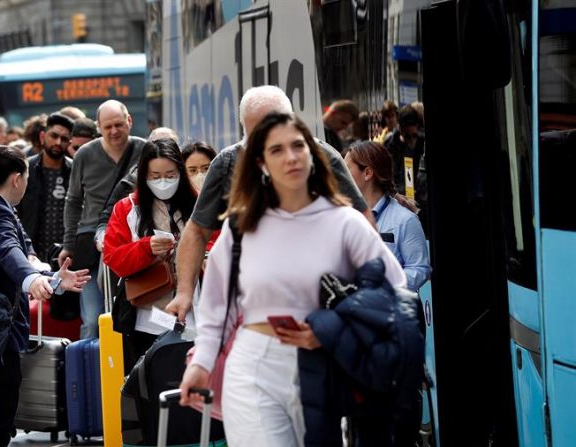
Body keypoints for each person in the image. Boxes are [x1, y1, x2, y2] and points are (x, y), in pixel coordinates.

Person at [179, 112, 406, 447]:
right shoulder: (240, 228)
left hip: (325, 368)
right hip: (252, 366)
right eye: (277, 150)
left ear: (312, 154)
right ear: (260, 163)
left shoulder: (345, 222)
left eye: (298, 146)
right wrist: (201, 364)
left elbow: (395, 291)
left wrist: (332, 329)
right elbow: (215, 307)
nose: (291, 157)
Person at [169, 85, 369, 324]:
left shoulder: (323, 157)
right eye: (257, 135)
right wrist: (184, 293)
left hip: (319, 299)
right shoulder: (227, 164)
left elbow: (361, 220)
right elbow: (197, 230)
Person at [0, 144, 90, 447]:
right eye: (25, 177)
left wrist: (51, 278)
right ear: (17, 179)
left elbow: (21, 252)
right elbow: (10, 252)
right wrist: (30, 279)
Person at [103, 139, 197, 372]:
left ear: (180, 172)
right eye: (155, 176)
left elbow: (217, 243)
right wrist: (145, 248)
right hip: (148, 317)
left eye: (170, 174)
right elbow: (113, 257)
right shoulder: (127, 208)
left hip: (199, 314)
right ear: (143, 175)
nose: (163, 181)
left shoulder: (198, 203)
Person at [60, 100, 148, 338]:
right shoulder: (85, 155)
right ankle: (92, 373)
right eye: (107, 126)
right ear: (98, 127)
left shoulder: (145, 150)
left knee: (133, 316)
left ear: (129, 121)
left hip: (133, 239)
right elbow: (73, 201)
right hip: (90, 243)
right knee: (92, 319)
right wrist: (69, 244)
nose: (114, 131)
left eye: (119, 124)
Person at [343, 141, 430, 291]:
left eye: (346, 169)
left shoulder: (405, 220)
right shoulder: (346, 216)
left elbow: (419, 269)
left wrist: (385, 286)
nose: (341, 175)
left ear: (368, 173)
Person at [18, 113, 74, 263]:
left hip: (66, 256)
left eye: (64, 139)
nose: (58, 142)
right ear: (43, 137)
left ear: (69, 142)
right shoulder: (25, 168)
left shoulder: (75, 170)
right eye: (53, 136)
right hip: (29, 254)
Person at [384, 105, 425, 198]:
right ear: (400, 129)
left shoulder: (422, 143)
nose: (412, 141)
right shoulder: (391, 146)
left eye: (414, 136)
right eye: (407, 136)